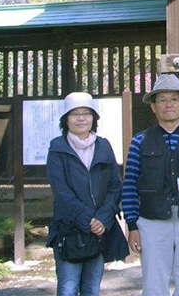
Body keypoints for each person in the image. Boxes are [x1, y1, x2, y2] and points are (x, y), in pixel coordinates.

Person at [121, 74, 179, 296]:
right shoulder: (140, 141)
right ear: (153, 106)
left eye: (174, 98)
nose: (169, 104)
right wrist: (132, 225)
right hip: (152, 220)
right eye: (162, 99)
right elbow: (130, 185)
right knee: (154, 281)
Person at [46, 92, 129, 296]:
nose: (81, 118)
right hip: (70, 230)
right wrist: (89, 220)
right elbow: (61, 192)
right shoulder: (57, 149)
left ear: (94, 118)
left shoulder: (103, 146)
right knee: (68, 288)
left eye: (86, 113)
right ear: (66, 119)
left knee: (92, 289)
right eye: (75, 113)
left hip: (99, 231)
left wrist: (102, 219)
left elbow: (115, 186)